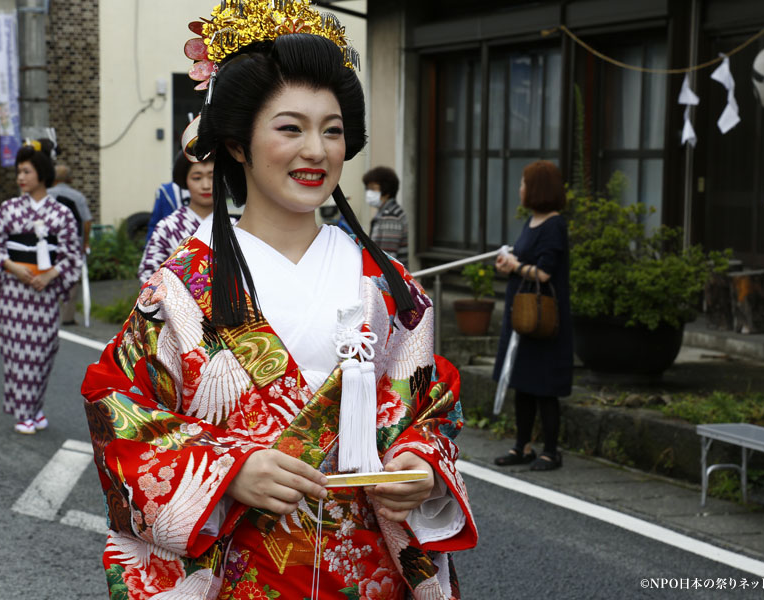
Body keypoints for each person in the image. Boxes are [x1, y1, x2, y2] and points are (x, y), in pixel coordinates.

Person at [81, 3, 477, 598]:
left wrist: (421, 465)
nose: (316, 150)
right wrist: (229, 470)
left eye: (333, 129)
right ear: (238, 144)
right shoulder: (182, 287)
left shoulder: (389, 285)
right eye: (290, 128)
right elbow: (118, 408)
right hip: (242, 573)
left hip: (370, 574)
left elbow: (432, 405)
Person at [0, 139, 82, 434]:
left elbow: (73, 255)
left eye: (26, 171)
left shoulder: (61, 213)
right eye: (19, 172)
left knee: (41, 353)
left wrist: (50, 275)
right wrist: (12, 266)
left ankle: (34, 408)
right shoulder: (9, 208)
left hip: (43, 293)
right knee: (14, 354)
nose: (20, 178)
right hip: (13, 293)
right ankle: (26, 413)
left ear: (41, 173)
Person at [492, 160, 573, 471]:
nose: (520, 189)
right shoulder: (533, 221)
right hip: (523, 317)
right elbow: (527, 263)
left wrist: (515, 266)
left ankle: (552, 451)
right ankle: (521, 446)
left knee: (545, 387)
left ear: (537, 189)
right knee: (522, 383)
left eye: (525, 184)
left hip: (544, 320)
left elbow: (544, 273)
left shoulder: (554, 225)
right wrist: (509, 263)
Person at [137, 152, 214, 282]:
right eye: (197, 178)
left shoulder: (236, 227)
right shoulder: (167, 228)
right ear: (186, 181)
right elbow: (148, 275)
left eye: (213, 177)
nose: (206, 185)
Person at [47, 163, 93, 324]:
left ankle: (48, 313)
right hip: (73, 243)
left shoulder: (46, 195)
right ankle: (67, 317)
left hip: (49, 244)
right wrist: (85, 243)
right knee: (72, 280)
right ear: (70, 179)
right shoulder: (77, 197)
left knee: (49, 275)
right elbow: (87, 221)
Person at [365, 166, 408, 267]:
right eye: (368, 188)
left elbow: (387, 258)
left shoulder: (391, 216)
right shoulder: (386, 212)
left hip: (388, 280)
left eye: (373, 189)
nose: (369, 193)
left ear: (386, 191)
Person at [146, 158, 191, 244]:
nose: (205, 185)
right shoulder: (165, 191)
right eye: (197, 177)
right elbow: (155, 222)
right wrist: (150, 245)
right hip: (172, 246)